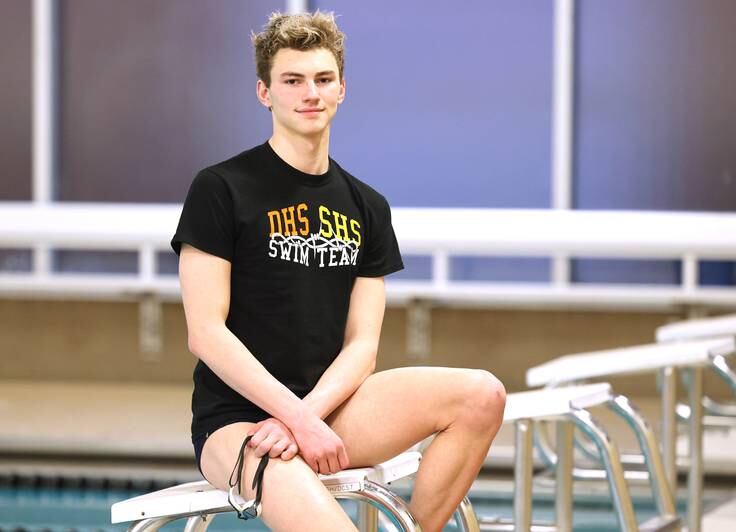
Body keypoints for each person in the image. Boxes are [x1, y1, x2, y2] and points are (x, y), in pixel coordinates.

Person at [171, 11, 506, 531]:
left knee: (481, 395)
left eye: (323, 79)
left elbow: (362, 346)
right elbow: (205, 333)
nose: (311, 93)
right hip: (238, 422)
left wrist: (309, 415)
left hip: (333, 408)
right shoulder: (221, 188)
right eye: (293, 80)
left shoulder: (367, 206)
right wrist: (295, 419)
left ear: (342, 89)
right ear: (265, 93)